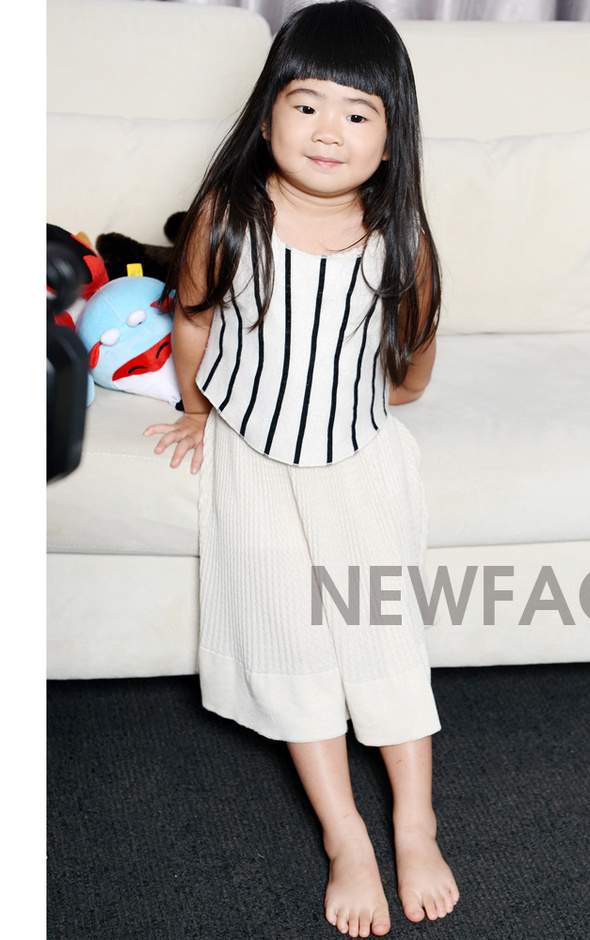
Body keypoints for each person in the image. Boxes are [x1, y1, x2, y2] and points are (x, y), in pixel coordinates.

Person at [144, 2, 458, 935]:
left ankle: (414, 820)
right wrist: (197, 411)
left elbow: (413, 368)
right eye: (307, 104)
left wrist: (356, 402)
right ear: (267, 114)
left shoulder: (403, 243)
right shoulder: (228, 216)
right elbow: (195, 322)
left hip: (356, 460)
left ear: (392, 140)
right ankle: (345, 834)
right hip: (255, 458)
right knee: (293, 642)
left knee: (381, 635)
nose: (329, 130)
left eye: (358, 113)